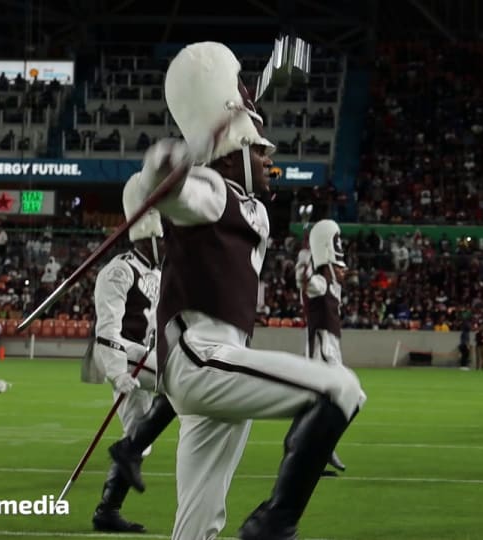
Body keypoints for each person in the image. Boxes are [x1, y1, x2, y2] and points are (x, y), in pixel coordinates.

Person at [122, 42, 365, 540]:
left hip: (217, 359)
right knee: (339, 388)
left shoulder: (247, 202)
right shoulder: (213, 189)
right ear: (235, 154)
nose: (271, 157)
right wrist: (164, 163)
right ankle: (273, 524)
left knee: (196, 527)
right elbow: (180, 192)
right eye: (261, 149)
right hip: (200, 356)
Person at [84, 175, 177, 533]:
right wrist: (117, 371)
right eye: (163, 240)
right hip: (124, 355)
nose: (168, 246)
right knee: (180, 384)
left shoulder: (157, 271)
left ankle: (107, 509)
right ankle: (115, 488)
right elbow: (107, 330)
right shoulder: (118, 271)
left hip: (147, 357)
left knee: (140, 440)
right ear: (147, 237)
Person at [294, 219, 352, 474]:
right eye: (340, 267)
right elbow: (303, 280)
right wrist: (305, 258)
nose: (344, 271)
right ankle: (317, 449)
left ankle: (316, 450)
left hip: (331, 347)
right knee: (334, 399)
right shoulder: (319, 283)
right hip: (321, 348)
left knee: (331, 401)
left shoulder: (333, 286)